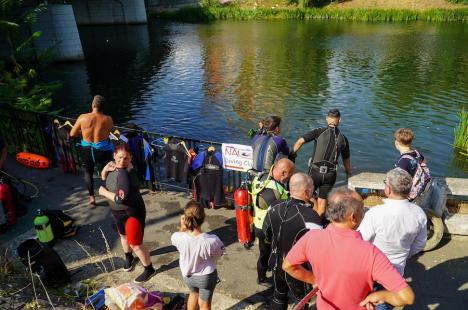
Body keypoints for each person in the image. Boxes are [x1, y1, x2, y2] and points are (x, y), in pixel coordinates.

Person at [282, 188, 415, 310]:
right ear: (353, 217)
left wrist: (315, 280)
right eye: (362, 209)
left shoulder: (311, 237)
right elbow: (407, 297)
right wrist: (383, 295)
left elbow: (288, 265)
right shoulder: (371, 253)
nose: (364, 213)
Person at [358, 168, 427, 310]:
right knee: (386, 299)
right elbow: (420, 244)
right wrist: (405, 253)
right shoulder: (419, 214)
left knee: (373, 300)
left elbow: (361, 241)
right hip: (398, 268)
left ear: (388, 189)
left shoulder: (376, 213)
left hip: (373, 269)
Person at [263, 173, 322, 310]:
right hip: (297, 269)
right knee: (302, 302)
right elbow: (319, 253)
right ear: (307, 191)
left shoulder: (274, 206)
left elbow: (265, 233)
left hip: (275, 262)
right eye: (313, 188)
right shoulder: (311, 218)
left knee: (278, 296)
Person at [98, 144, 155, 283]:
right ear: (114, 156)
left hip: (132, 214)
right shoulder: (114, 166)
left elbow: (120, 198)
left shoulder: (126, 173)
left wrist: (103, 192)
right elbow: (105, 178)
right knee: (123, 236)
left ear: (131, 159)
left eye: (126, 158)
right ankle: (128, 257)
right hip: (117, 213)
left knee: (136, 244)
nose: (122, 161)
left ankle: (149, 269)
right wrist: (105, 169)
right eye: (119, 157)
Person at [291, 109, 351, 217]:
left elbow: (300, 141)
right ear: (340, 120)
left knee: (308, 196)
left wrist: (293, 155)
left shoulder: (318, 132)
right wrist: (349, 174)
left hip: (315, 172)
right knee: (322, 203)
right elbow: (346, 161)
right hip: (330, 175)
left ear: (327, 119)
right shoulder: (344, 139)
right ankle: (318, 223)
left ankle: (308, 218)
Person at [171, 201, 225, 310]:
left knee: (193, 294)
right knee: (204, 303)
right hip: (206, 277)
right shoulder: (211, 240)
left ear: (185, 218)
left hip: (188, 276)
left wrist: (183, 227)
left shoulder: (176, 237)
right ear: (203, 218)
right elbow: (219, 254)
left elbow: (180, 237)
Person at [250, 158, 294, 287]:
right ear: (283, 173)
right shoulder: (274, 190)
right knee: (266, 253)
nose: (288, 180)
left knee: (265, 252)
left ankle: (266, 270)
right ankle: (262, 278)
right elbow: (282, 210)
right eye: (289, 176)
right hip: (267, 229)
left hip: (257, 222)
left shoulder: (261, 177)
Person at [70, 95, 114, 205]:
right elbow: (109, 132)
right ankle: (109, 192)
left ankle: (91, 197)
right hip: (103, 150)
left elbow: (72, 134)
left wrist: (83, 132)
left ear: (93, 105)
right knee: (108, 169)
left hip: (87, 150)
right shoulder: (108, 119)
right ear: (103, 107)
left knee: (88, 172)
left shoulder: (82, 117)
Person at [393, 128, 431, 202]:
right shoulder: (416, 153)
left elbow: (399, 182)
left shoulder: (403, 162)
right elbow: (424, 161)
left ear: (396, 142)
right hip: (419, 188)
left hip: (409, 194)